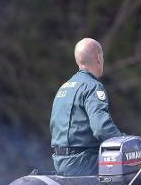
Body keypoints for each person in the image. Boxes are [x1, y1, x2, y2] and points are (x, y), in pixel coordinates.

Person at [50, 38, 123, 176]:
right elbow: (102, 128)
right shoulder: (92, 86)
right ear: (99, 58)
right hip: (83, 162)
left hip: (60, 161)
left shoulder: (64, 87)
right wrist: (124, 144)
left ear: (78, 61)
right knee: (140, 160)